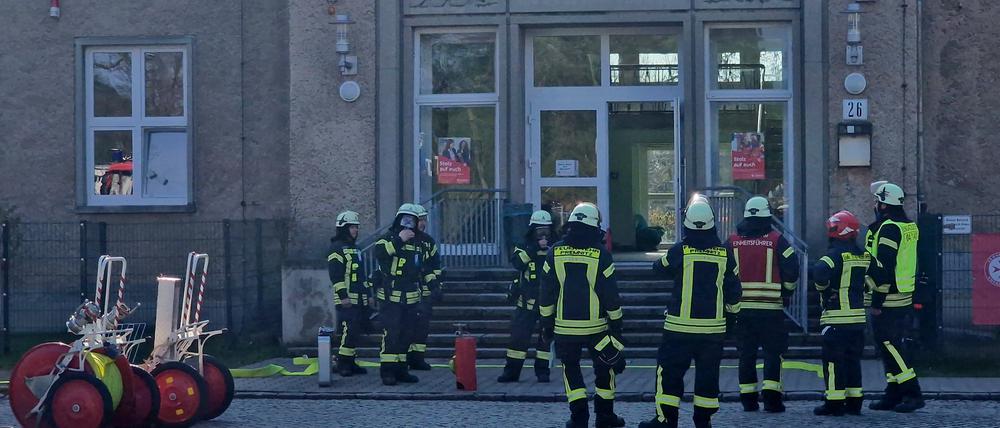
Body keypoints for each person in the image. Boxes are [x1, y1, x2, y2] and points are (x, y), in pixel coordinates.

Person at [640, 196, 742, 428]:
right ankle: (703, 422)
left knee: (669, 375)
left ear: (686, 222)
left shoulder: (680, 251)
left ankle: (666, 421)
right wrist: (731, 319)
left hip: (678, 329)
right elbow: (734, 292)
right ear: (712, 223)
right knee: (708, 377)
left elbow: (658, 268)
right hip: (712, 331)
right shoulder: (725, 253)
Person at [539, 203, 625, 428]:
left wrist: (546, 324)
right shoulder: (601, 255)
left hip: (564, 328)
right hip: (597, 329)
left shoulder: (554, 252)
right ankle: (605, 418)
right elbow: (611, 296)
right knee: (605, 370)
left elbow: (546, 294)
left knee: (571, 371)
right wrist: (617, 324)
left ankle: (579, 418)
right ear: (593, 227)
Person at [727, 196, 800, 413]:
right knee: (773, 353)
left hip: (741, 310)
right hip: (771, 310)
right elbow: (792, 269)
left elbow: (722, 273)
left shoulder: (732, 242)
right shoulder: (778, 240)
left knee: (746, 354)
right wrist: (787, 292)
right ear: (767, 216)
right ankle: (772, 400)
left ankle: (748, 400)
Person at [866, 182, 925, 413]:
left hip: (888, 297)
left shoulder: (889, 228)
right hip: (904, 295)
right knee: (889, 348)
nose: (875, 205)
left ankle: (912, 393)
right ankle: (893, 393)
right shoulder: (908, 226)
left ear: (883, 205)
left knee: (890, 347)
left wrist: (877, 301)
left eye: (877, 201)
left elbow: (884, 266)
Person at [811, 210, 869, 416]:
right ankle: (855, 402)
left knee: (834, 363)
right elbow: (877, 274)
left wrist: (825, 291)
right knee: (853, 361)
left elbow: (819, 271)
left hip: (836, 319)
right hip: (857, 320)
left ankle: (834, 403)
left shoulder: (833, 255)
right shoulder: (863, 255)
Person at [373, 203, 429, 385]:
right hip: (391, 298)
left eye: (412, 220)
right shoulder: (388, 238)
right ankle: (387, 372)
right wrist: (399, 240)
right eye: (405, 219)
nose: (409, 224)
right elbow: (379, 253)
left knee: (407, 335)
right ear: (399, 220)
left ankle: (401, 369)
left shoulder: (418, 243)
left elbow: (421, 268)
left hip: (411, 297)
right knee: (392, 334)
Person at [497, 210, 554, 383]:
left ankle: (543, 372)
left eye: (546, 231)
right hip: (526, 302)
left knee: (546, 340)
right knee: (518, 339)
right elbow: (518, 263)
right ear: (532, 230)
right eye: (539, 231)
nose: (543, 235)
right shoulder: (524, 245)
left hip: (549, 302)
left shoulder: (557, 247)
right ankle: (511, 372)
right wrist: (535, 248)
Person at [328, 210, 370, 377]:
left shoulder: (356, 248)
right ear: (343, 228)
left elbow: (361, 275)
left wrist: (368, 295)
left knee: (355, 331)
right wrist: (343, 295)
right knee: (349, 330)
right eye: (352, 227)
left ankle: (350, 362)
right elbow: (336, 275)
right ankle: (342, 363)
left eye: (356, 227)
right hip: (346, 298)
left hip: (359, 297)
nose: (355, 230)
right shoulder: (336, 248)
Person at [408, 204, 441, 371]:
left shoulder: (428, 241)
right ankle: (406, 357)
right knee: (408, 326)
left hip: (426, 292)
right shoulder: (406, 240)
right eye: (419, 220)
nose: (422, 223)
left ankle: (418, 358)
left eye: (424, 220)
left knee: (422, 327)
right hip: (409, 292)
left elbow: (435, 265)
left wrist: (436, 285)